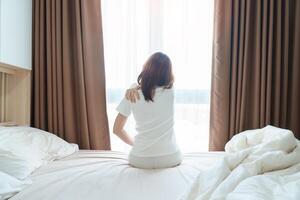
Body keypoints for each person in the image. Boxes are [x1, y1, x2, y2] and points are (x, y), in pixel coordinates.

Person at [113, 52, 182, 169]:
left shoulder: (132, 94)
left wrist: (137, 145)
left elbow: (117, 130)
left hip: (139, 159)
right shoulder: (171, 92)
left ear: (146, 69)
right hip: (170, 158)